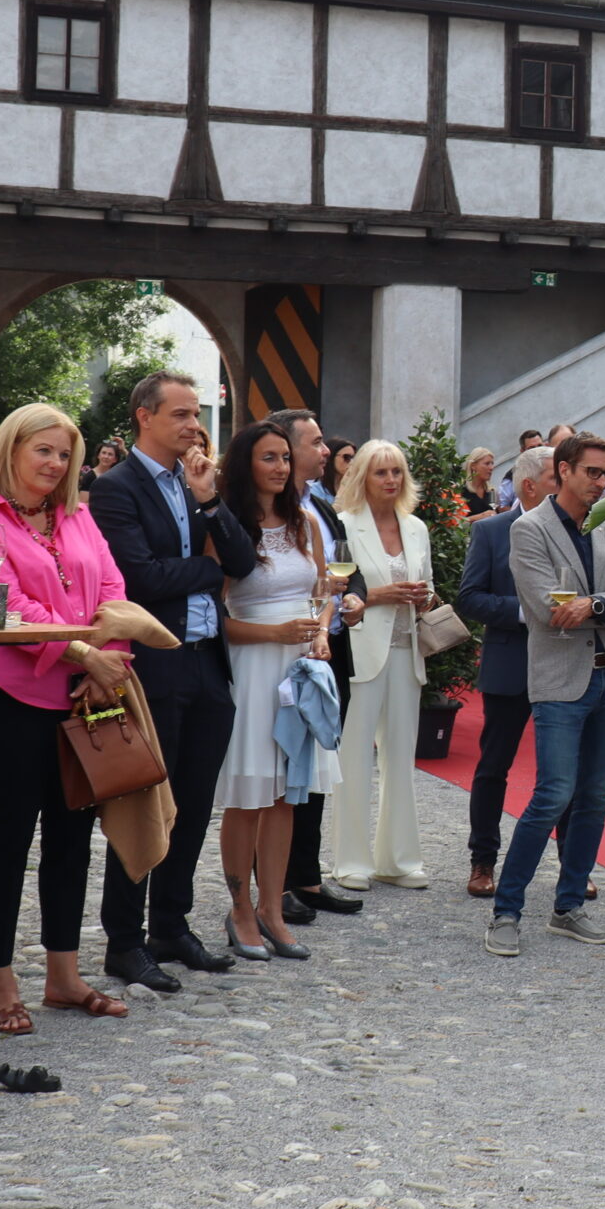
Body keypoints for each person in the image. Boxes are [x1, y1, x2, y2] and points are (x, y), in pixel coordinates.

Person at [0, 405, 136, 1028]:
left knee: (73, 838)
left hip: (81, 696)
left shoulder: (77, 516)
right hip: (9, 699)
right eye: (43, 452)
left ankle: (64, 976)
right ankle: (0, 983)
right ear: (12, 449)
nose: (55, 465)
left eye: (63, 455)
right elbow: (6, 608)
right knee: (7, 840)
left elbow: (112, 590)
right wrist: (83, 650)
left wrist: (104, 660)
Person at [88, 370, 252, 994]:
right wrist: (206, 573)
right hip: (154, 665)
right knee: (144, 805)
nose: (194, 426)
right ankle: (124, 942)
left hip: (208, 661)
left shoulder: (195, 483)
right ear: (144, 418)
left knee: (194, 803)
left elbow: (242, 562)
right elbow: (141, 579)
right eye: (182, 414)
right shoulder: (116, 488)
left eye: (197, 414)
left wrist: (210, 504)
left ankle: (171, 925)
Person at [486, 434, 605, 955]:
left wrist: (596, 607)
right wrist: (604, 608)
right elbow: (543, 609)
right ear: (563, 471)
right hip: (560, 681)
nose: (602, 482)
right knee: (552, 795)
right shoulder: (528, 529)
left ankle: (568, 905)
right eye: (593, 473)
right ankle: (506, 911)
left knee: (595, 799)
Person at [208, 421, 337, 960]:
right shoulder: (227, 526)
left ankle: (272, 909)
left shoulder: (305, 521)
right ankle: (239, 910)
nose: (281, 466)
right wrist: (274, 633)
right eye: (268, 457)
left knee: (288, 795)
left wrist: (322, 632)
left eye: (285, 456)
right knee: (249, 796)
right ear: (246, 464)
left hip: (299, 666)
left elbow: (323, 591)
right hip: (252, 664)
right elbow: (212, 617)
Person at [266, 409, 366, 924]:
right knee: (278, 770)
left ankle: (305, 876)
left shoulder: (324, 509)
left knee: (316, 765)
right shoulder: (266, 510)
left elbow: (350, 574)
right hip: (284, 650)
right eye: (317, 443)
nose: (326, 452)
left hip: (330, 650)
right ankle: (273, 885)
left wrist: (355, 602)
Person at [332, 439, 437, 890]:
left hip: (405, 649)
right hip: (360, 650)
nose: (391, 480)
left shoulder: (415, 527)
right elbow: (334, 594)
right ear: (362, 477)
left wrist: (425, 596)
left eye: (397, 472)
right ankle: (351, 861)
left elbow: (429, 586)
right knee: (353, 758)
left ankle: (398, 860)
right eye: (381, 472)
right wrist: (380, 596)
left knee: (400, 758)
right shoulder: (343, 524)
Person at [458, 445, 556, 897]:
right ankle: (482, 862)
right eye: (560, 476)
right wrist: (524, 611)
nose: (570, 484)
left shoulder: (577, 530)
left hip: (562, 664)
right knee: (494, 768)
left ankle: (574, 866)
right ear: (531, 485)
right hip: (509, 663)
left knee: (563, 771)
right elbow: (470, 598)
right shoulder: (493, 532)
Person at [492, 429, 539, 510]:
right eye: (531, 448)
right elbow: (502, 506)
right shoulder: (512, 476)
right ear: (522, 451)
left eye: (540, 446)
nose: (537, 451)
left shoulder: (552, 471)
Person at [459, 447, 499, 522]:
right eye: (487, 463)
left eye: (492, 463)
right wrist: (480, 517)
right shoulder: (460, 491)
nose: (491, 467)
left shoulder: (491, 492)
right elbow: (455, 523)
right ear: (473, 466)